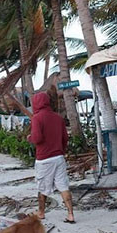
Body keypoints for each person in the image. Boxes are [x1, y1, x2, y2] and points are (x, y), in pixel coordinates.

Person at [28, 91, 75, 223]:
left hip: (44, 159)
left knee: (42, 187)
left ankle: (41, 212)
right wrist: (61, 151)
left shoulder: (37, 118)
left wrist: (29, 138)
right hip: (59, 157)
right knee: (63, 186)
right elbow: (65, 138)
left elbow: (37, 138)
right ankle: (70, 214)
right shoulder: (58, 118)